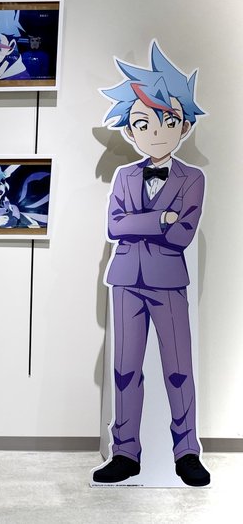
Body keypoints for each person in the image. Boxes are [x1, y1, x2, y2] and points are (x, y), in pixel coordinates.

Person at [93, 41, 210, 486]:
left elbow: (183, 234)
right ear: (131, 130)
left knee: (178, 369)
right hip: (126, 280)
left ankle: (187, 452)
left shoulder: (192, 178)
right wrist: (160, 218)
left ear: (184, 126)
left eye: (168, 121)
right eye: (143, 123)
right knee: (125, 370)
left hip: (168, 282)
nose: (156, 132)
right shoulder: (124, 176)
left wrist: (146, 224)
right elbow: (114, 226)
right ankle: (125, 452)